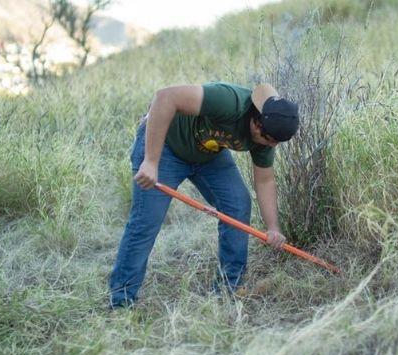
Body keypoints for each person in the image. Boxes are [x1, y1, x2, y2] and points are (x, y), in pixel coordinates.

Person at [108, 82, 300, 309]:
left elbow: (265, 180)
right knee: (146, 221)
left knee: (237, 204)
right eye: (270, 140)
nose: (272, 146)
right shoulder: (230, 102)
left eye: (277, 142)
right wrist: (150, 161)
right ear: (257, 124)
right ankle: (121, 300)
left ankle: (230, 288)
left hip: (207, 156)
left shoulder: (268, 138)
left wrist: (273, 228)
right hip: (164, 146)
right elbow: (164, 97)